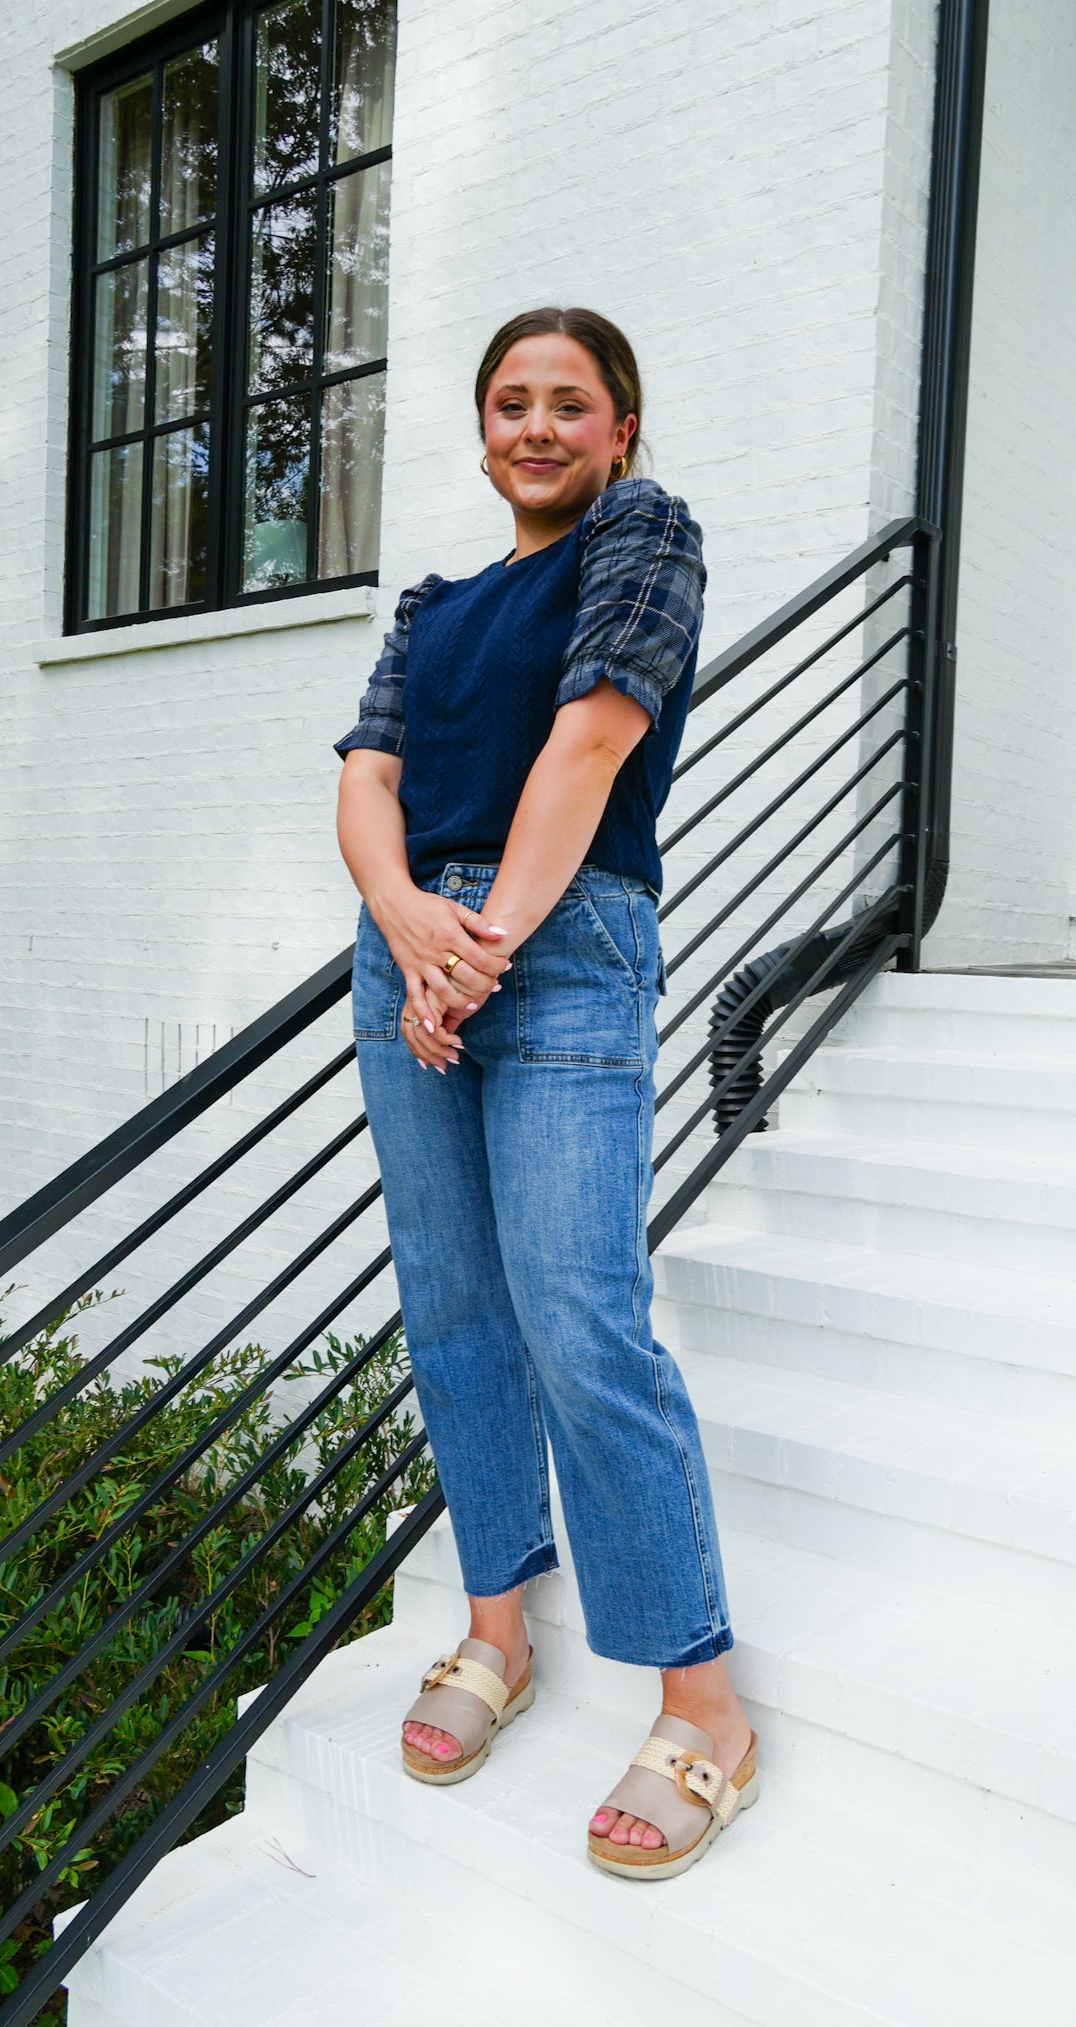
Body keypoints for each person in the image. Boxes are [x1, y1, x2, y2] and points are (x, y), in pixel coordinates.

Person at [333, 307, 758, 1880]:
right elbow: (365, 783)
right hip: (416, 956)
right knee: (452, 1309)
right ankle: (497, 1629)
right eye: (508, 402)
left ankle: (702, 1707)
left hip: (556, 948)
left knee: (580, 1311)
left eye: (567, 404)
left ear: (620, 430)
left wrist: (478, 947)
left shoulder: (644, 537)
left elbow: (589, 744)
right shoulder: (433, 608)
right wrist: (406, 929)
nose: (534, 425)